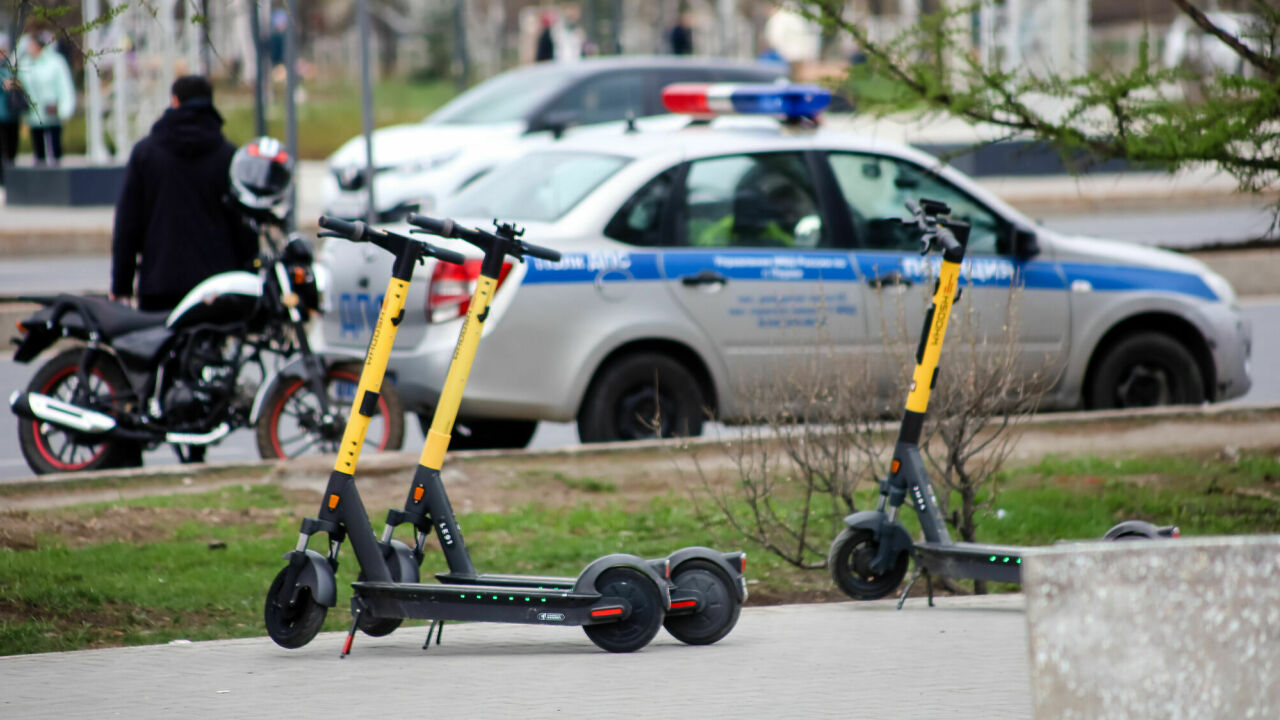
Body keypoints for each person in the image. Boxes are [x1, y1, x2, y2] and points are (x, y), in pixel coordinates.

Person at [111, 75, 257, 312]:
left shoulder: (146, 154)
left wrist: (121, 287)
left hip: (160, 284)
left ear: (174, 101)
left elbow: (128, 226)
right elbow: (244, 227)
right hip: (217, 288)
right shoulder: (228, 156)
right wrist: (247, 279)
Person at [16, 31, 74, 165]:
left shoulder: (56, 62)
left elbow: (65, 87)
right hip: (34, 114)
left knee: (55, 147)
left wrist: (65, 108)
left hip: (52, 111)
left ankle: (57, 176)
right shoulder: (26, 63)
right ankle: (41, 179)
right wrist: (20, 47)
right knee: (39, 152)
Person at [0, 34, 22, 182]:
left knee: (11, 148)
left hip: (12, 114)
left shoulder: (11, 67)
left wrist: (16, 84)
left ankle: (11, 179)